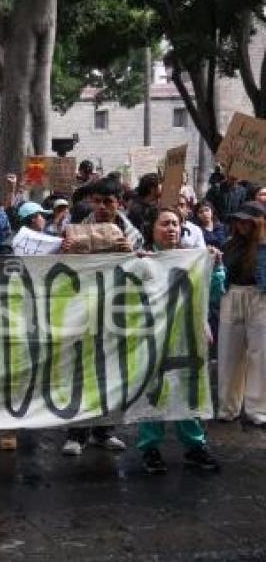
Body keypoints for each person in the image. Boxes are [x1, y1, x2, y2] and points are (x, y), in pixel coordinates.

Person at [137, 207, 220, 473]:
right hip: (150, 337)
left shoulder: (194, 259)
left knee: (189, 390)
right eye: (164, 224)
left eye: (175, 223)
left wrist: (216, 268)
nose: (171, 228)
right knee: (153, 391)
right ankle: (150, 448)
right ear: (152, 229)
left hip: (186, 336)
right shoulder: (140, 260)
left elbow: (213, 293)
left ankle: (195, 446)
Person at [59, 177, 139, 455]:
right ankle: (77, 434)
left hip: (117, 310)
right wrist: (65, 251)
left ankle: (104, 431)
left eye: (108, 202)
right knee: (83, 372)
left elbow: (144, 267)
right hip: (84, 309)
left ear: (119, 204)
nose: (102, 207)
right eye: (97, 201)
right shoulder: (76, 228)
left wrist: (132, 254)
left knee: (112, 372)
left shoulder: (132, 232)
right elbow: (60, 268)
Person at [217, 201, 266, 425]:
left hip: (260, 297)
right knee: (228, 353)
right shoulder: (229, 244)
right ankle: (227, 406)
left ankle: (258, 410)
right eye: (238, 221)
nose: (242, 225)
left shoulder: (263, 247)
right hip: (232, 296)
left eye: (247, 221)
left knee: (260, 355)